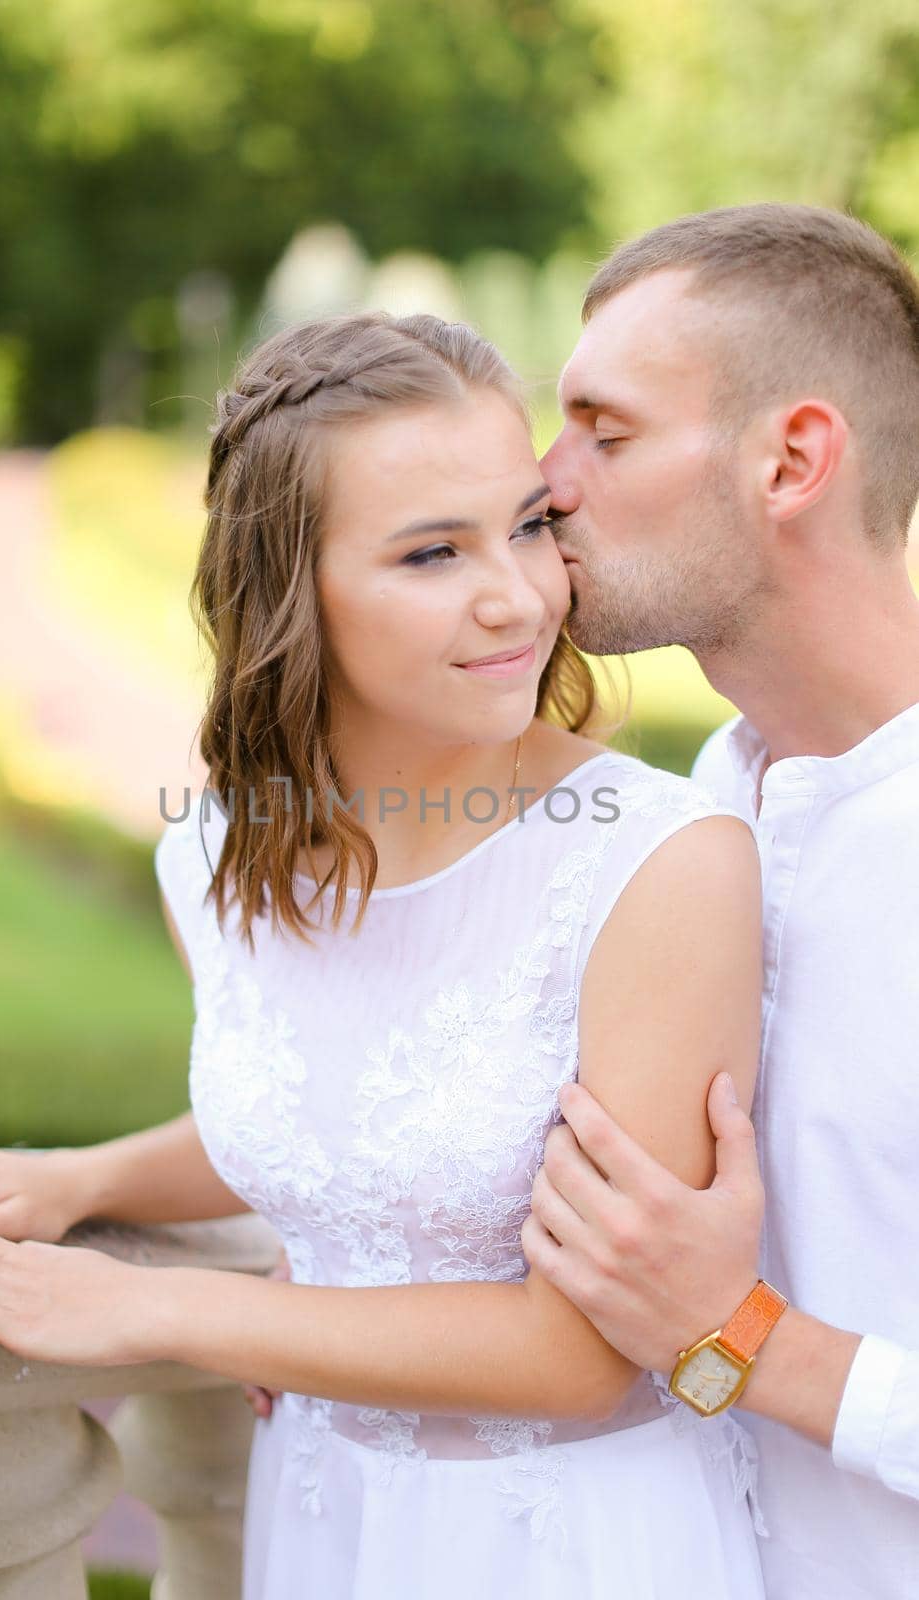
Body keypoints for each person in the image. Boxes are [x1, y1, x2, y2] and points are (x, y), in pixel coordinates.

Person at [0, 311, 768, 1597]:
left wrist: (153, 1306)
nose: (516, 593)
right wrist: (69, 1180)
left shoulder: (657, 862)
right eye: (430, 552)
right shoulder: (218, 852)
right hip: (321, 1523)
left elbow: (587, 1350)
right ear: (289, 591)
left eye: (525, 524)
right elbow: (343, 1120)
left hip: (570, 1542)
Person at [524, 203, 919, 1600]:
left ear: (791, 459)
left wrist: (732, 1332)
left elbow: (711, 1318)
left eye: (602, 431)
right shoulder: (698, 807)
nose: (541, 484)